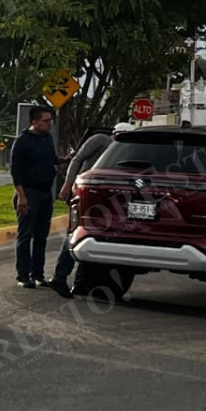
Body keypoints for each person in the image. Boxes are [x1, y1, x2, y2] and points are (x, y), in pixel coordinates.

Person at [48, 122, 133, 297]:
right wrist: (68, 183)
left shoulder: (124, 152)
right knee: (73, 234)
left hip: (103, 199)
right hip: (83, 192)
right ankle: (60, 277)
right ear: (116, 134)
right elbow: (77, 158)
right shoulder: (101, 140)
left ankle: (80, 283)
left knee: (91, 236)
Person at [10, 105, 59, 288]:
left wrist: (66, 159)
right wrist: (22, 196)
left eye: (50, 120)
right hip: (28, 193)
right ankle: (23, 276)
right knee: (25, 235)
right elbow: (16, 172)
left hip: (46, 193)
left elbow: (52, 159)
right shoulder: (23, 141)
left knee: (41, 236)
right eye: (45, 121)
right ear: (34, 121)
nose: (49, 124)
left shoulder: (47, 139)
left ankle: (38, 273)